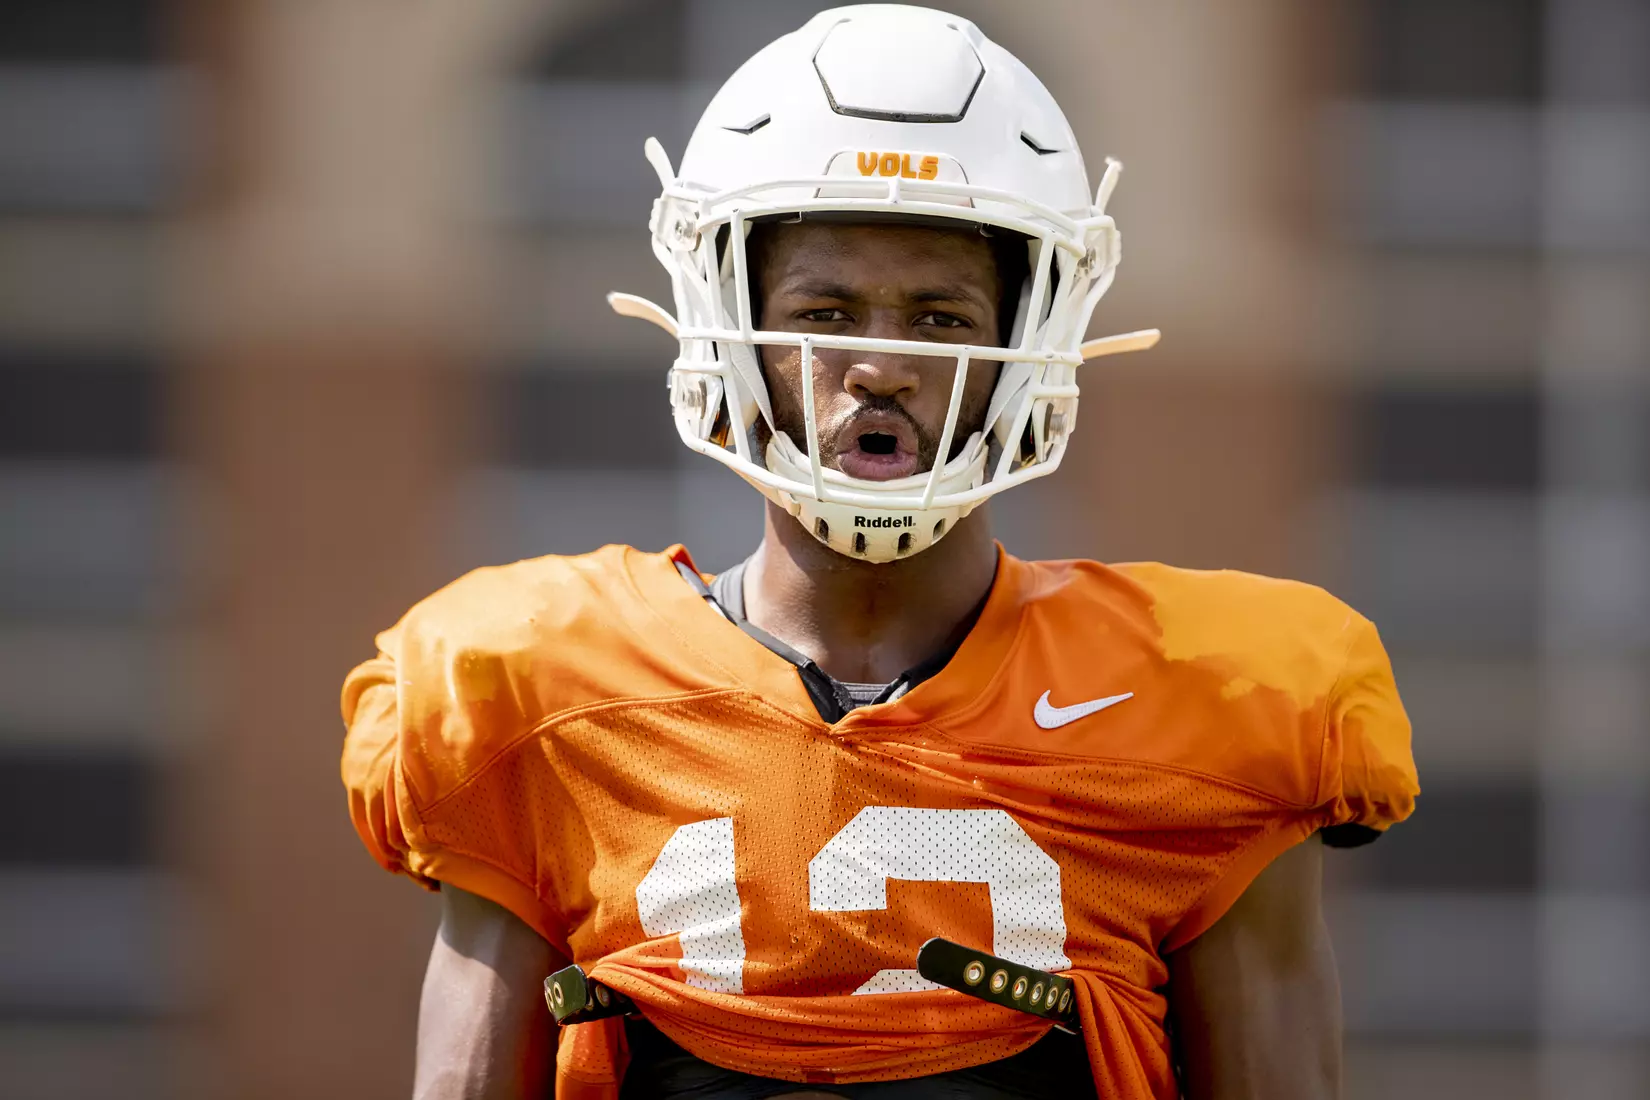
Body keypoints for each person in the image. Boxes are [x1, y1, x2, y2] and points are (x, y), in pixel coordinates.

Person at [341, 6, 1419, 1098]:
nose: (878, 365)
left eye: (941, 319)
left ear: (1029, 341)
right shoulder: (537, 692)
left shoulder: (1211, 699)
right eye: (825, 309)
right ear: (730, 322)